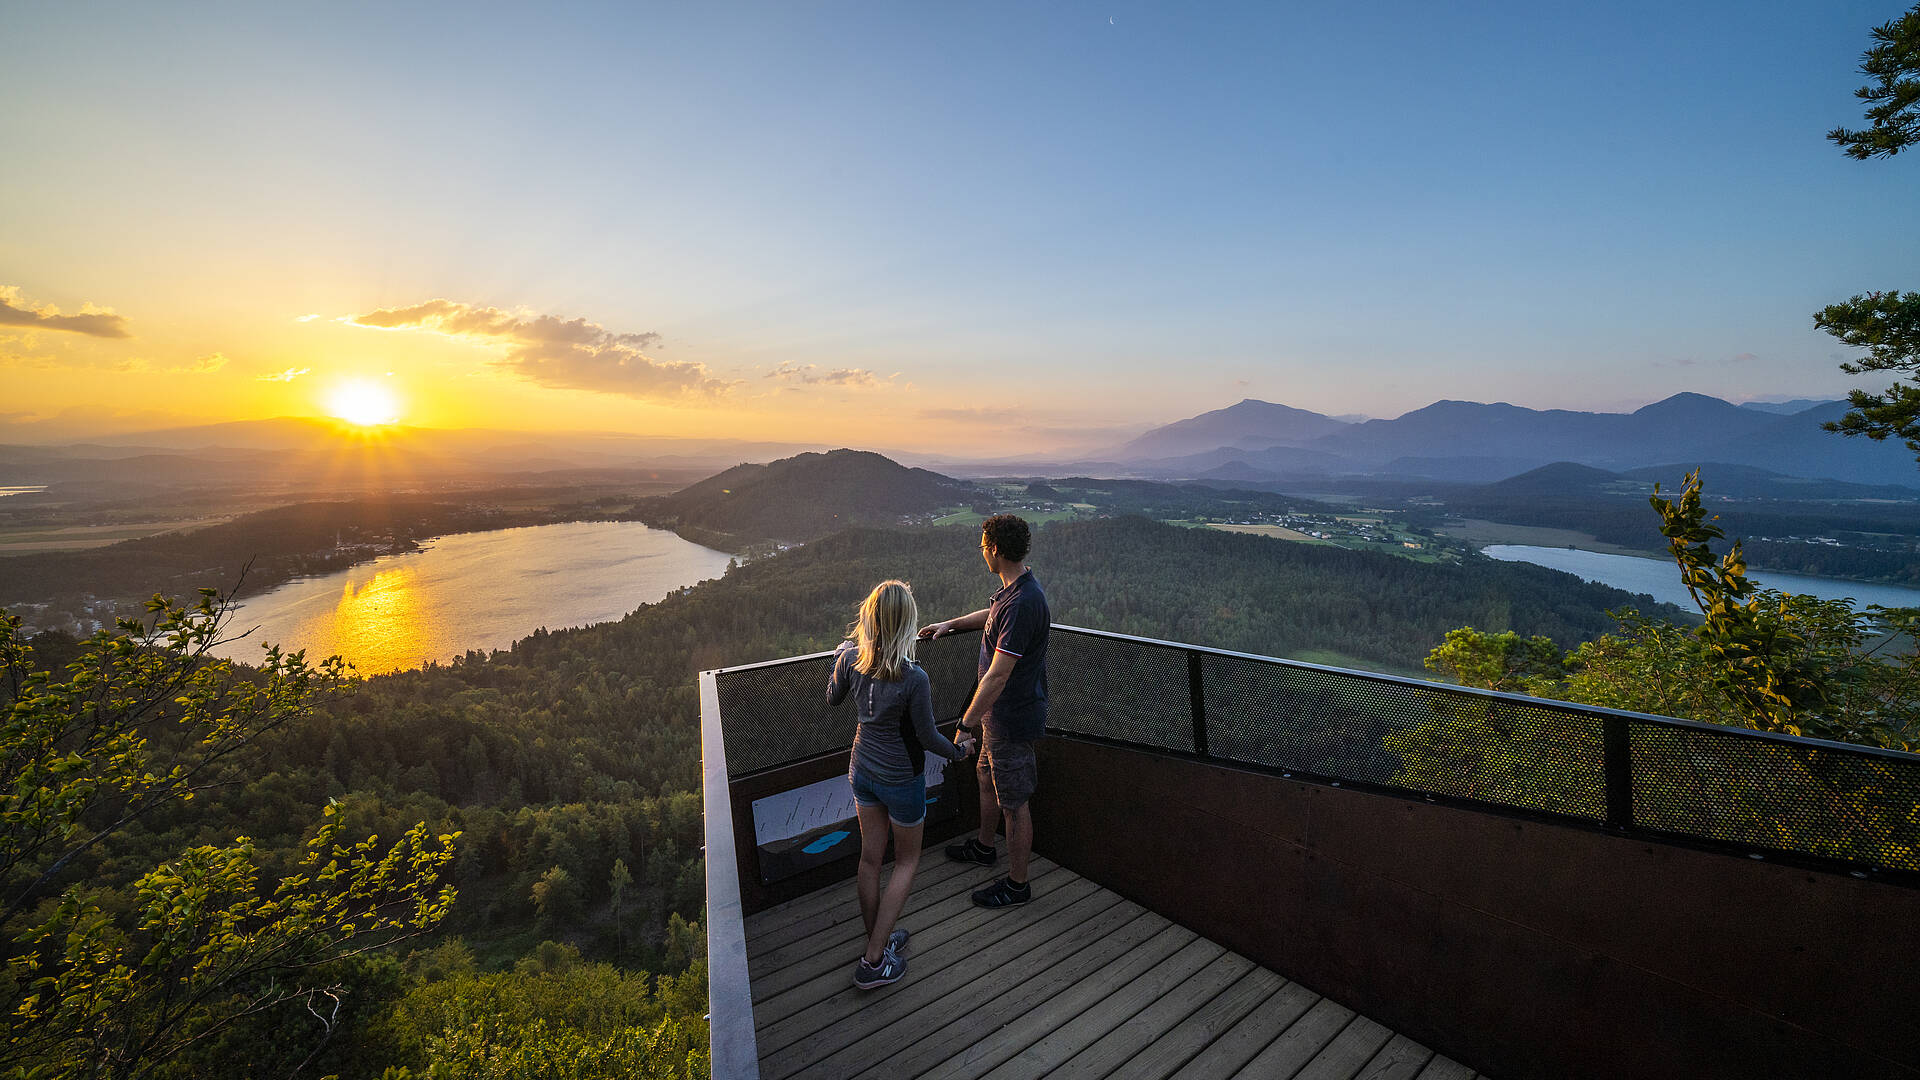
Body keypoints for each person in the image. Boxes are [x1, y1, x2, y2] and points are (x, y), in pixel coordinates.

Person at [828, 579, 974, 990]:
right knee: (907, 862)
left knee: (870, 860)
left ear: (870, 620)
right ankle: (874, 961)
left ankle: (878, 940)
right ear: (907, 624)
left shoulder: (851, 658)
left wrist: (839, 658)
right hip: (901, 779)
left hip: (863, 771)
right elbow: (928, 738)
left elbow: (832, 699)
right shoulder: (914, 677)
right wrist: (960, 752)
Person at [920, 514, 1049, 909]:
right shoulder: (1014, 591)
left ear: (994, 549)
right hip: (997, 719)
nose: (981, 553)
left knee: (1014, 801)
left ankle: (1017, 885)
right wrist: (953, 623)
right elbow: (992, 617)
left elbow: (996, 677)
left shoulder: (1024, 602)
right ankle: (984, 847)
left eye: (982, 547)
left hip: (1010, 719)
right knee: (987, 781)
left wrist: (965, 725)